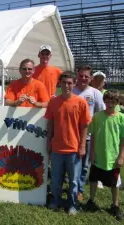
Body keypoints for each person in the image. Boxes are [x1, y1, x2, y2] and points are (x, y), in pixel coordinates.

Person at [45, 71, 91, 215]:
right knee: (56, 179)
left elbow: (85, 125)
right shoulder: (53, 102)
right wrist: (48, 141)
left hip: (74, 149)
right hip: (57, 148)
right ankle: (55, 200)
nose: (66, 86)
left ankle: (72, 204)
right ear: (60, 83)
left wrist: (82, 145)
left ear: (74, 84)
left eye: (70, 83)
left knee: (74, 181)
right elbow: (50, 123)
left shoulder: (81, 102)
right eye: (64, 82)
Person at [86, 89, 124, 221]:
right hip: (98, 155)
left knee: (114, 183)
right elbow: (93, 135)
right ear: (104, 101)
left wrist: (121, 156)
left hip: (113, 157)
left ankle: (115, 205)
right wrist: (92, 153)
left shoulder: (122, 118)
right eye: (107, 101)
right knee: (93, 179)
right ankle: (91, 201)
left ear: (117, 102)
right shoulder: (97, 116)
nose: (110, 104)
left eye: (113, 101)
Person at [72, 65, 105, 201]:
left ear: (91, 78)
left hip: (88, 136)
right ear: (77, 76)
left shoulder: (95, 93)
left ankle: (79, 189)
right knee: (73, 164)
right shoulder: (71, 91)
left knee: (85, 165)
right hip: (72, 134)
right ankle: (71, 187)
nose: (83, 78)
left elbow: (100, 112)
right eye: (81, 76)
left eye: (86, 76)